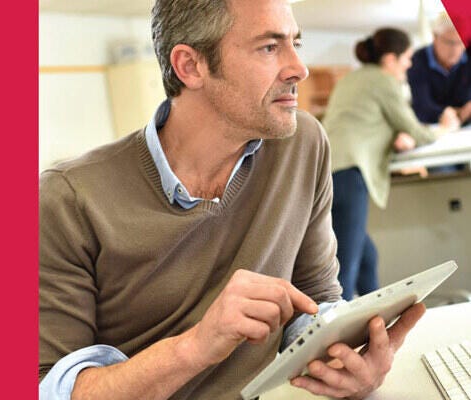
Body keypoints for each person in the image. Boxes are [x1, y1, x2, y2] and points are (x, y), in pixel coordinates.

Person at [39, 3, 425, 400]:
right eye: (269, 48)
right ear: (190, 66)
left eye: (296, 43)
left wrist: (345, 358)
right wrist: (197, 345)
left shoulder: (301, 144)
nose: (299, 68)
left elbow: (316, 300)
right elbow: (50, 388)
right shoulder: (68, 198)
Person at [322, 28, 454, 301]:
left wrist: (395, 136)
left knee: (367, 259)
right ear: (390, 59)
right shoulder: (383, 81)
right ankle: (338, 339)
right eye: (406, 58)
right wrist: (446, 127)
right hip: (349, 178)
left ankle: (378, 325)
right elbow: (419, 132)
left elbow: (364, 122)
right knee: (345, 273)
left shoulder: (352, 80)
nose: (409, 64)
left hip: (325, 178)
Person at [407, 12, 471, 127]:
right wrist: (458, 113)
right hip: (432, 128)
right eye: (450, 43)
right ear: (435, 37)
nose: (455, 49)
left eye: (461, 42)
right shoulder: (417, 61)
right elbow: (422, 108)